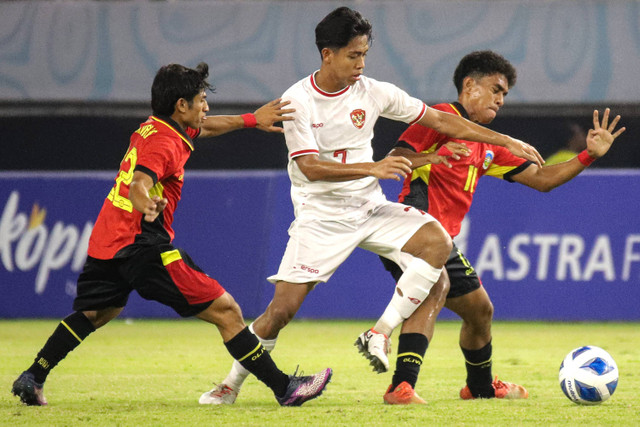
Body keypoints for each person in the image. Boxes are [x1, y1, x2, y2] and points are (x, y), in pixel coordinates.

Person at [199, 7, 544, 406]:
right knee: (281, 311)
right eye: (352, 55)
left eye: (364, 54)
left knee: (437, 242)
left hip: (370, 209)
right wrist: (374, 167)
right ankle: (229, 385)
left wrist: (503, 140)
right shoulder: (298, 101)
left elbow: (443, 121)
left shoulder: (374, 91)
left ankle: (379, 332)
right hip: (322, 220)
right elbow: (309, 168)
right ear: (327, 54)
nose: (361, 63)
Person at [11, 62, 332, 407]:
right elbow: (140, 183)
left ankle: (34, 375)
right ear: (182, 105)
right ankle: (286, 388)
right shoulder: (164, 143)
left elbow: (205, 128)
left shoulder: (156, 128)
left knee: (96, 313)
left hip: (108, 241)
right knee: (227, 310)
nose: (206, 107)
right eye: (202, 100)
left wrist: (251, 119)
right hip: (142, 244)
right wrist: (147, 204)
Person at [378, 50, 626, 404]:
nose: (500, 99)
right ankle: (400, 387)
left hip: (441, 240)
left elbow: (542, 179)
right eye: (496, 88)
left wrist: (588, 155)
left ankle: (479, 387)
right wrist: (432, 157)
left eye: (504, 94)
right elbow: (394, 160)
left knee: (480, 311)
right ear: (469, 85)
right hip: (411, 229)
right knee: (434, 288)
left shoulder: (486, 144)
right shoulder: (440, 119)